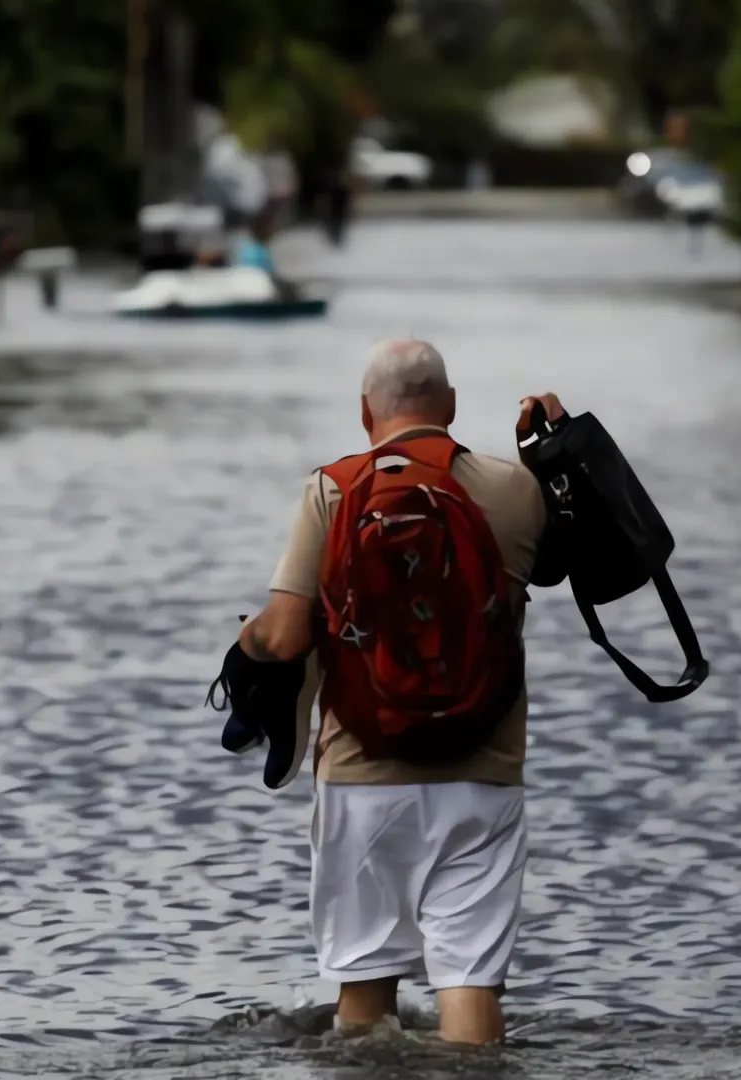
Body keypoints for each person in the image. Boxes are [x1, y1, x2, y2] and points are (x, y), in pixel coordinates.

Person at [228, 337, 563, 1045]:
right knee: (469, 979)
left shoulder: (333, 489)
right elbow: (593, 558)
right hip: (483, 773)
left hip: (363, 775)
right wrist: (556, 449)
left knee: (366, 987)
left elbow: (285, 638)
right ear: (450, 406)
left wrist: (244, 644)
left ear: (363, 412)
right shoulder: (515, 491)